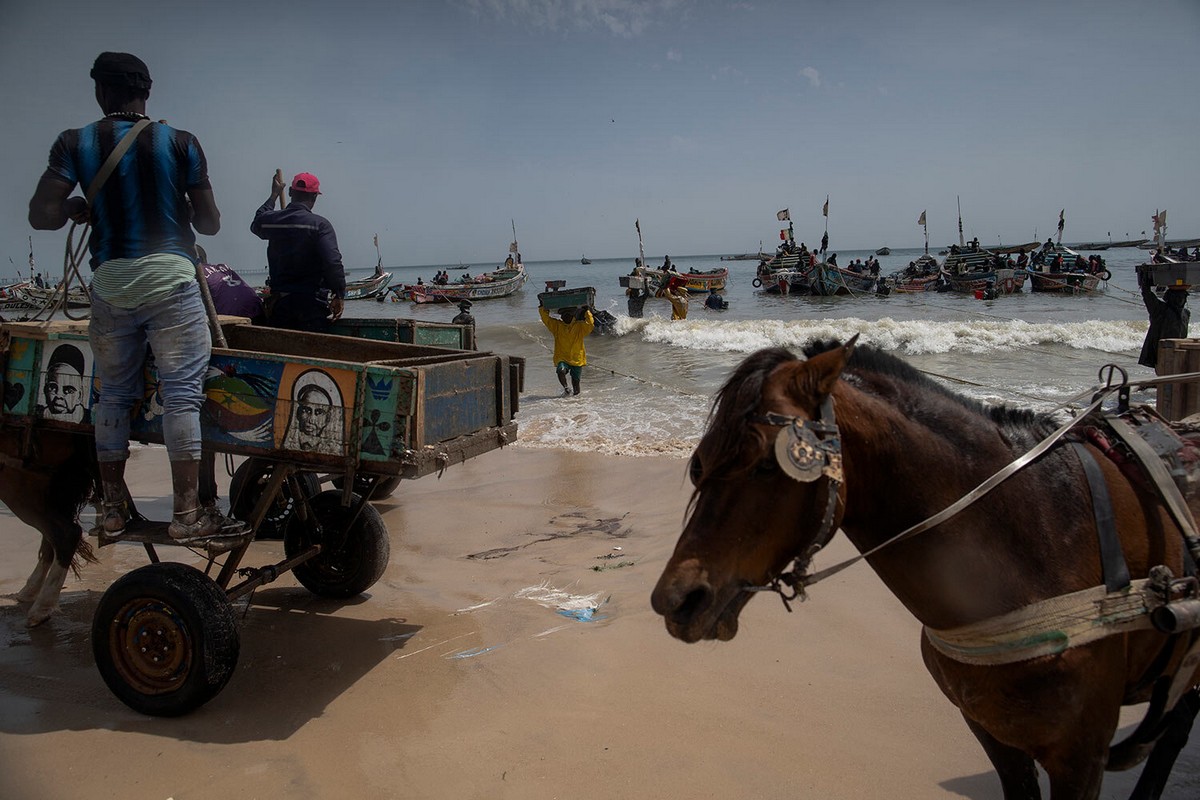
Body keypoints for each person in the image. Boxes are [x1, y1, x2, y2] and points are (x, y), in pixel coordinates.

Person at [27, 51, 242, 543]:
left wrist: (77, 206)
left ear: (101, 93)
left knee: (115, 393)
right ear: (147, 93)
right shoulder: (181, 143)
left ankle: (110, 510)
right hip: (172, 281)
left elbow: (42, 214)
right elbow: (209, 223)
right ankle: (187, 514)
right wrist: (184, 207)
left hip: (110, 285)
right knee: (183, 394)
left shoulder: (74, 143)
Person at [251, 170, 345, 333]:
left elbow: (257, 222)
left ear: (290, 192)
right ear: (315, 197)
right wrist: (339, 294)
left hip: (280, 304)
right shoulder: (320, 225)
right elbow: (333, 262)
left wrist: (273, 195)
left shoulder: (273, 222)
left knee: (284, 352)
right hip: (312, 304)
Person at [538, 302, 594, 396]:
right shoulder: (556, 326)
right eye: (563, 315)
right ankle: (566, 388)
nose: (565, 317)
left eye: (568, 315)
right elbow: (546, 319)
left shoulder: (579, 327)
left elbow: (590, 324)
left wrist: (587, 311)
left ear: (573, 316)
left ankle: (577, 402)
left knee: (576, 384)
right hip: (562, 357)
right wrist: (542, 307)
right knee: (561, 371)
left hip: (577, 358)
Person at [1139, 268, 1190, 369]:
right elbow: (1146, 294)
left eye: (1182, 297)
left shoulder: (1186, 313)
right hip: (1160, 351)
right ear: (1170, 297)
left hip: (1178, 350)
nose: (1180, 299)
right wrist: (1145, 277)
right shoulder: (1159, 309)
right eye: (1177, 296)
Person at [39, 343, 88, 423]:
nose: (59, 395)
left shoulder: (91, 418)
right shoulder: (37, 414)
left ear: (80, 395)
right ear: (45, 390)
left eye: (68, 390)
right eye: (53, 388)